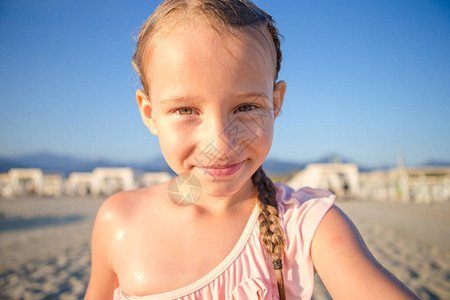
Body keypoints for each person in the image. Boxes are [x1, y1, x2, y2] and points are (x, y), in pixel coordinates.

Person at [85, 1, 419, 299]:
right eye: (186, 110)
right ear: (149, 112)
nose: (221, 141)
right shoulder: (119, 221)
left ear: (275, 103)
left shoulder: (307, 226)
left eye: (246, 107)